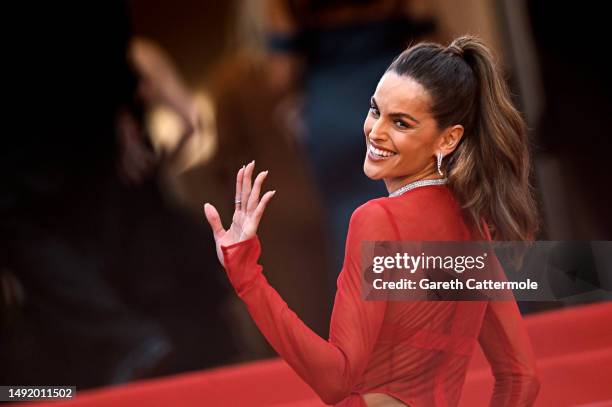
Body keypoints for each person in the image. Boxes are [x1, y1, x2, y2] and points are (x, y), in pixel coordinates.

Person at [204, 35, 541, 407]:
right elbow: (521, 377)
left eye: (401, 123)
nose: (375, 132)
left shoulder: (377, 220)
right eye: (375, 110)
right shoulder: (474, 226)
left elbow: (336, 380)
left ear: (448, 140)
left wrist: (246, 275)